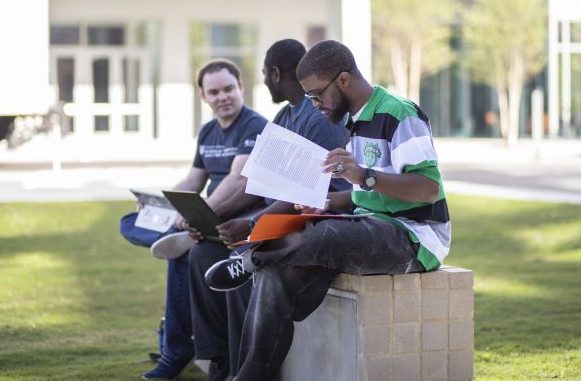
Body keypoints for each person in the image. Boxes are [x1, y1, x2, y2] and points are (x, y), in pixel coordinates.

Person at [211, 40, 451, 381]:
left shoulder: (399, 113)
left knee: (323, 233)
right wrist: (329, 203)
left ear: (343, 80)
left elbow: (427, 190)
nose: (314, 104)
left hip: (415, 237)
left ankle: (249, 259)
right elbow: (365, 196)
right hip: (370, 226)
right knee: (273, 276)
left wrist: (362, 175)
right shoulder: (354, 121)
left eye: (316, 94)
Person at [187, 39, 352, 381]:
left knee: (239, 260)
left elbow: (302, 193)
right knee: (201, 253)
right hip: (278, 211)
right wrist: (221, 217)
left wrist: (250, 224)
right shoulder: (285, 114)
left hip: (312, 216)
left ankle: (244, 369)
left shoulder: (316, 118)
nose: (263, 80)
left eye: (264, 73)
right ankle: (221, 361)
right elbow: (259, 180)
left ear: (276, 73)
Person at [120, 59, 268, 380]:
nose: (222, 97)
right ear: (203, 97)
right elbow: (192, 181)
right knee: (129, 220)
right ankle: (168, 233)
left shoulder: (254, 125)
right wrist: (161, 202)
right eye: (214, 92)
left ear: (241, 88)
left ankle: (177, 350)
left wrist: (199, 216)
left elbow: (236, 180)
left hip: (232, 217)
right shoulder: (208, 131)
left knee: (184, 255)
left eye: (229, 89)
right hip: (200, 218)